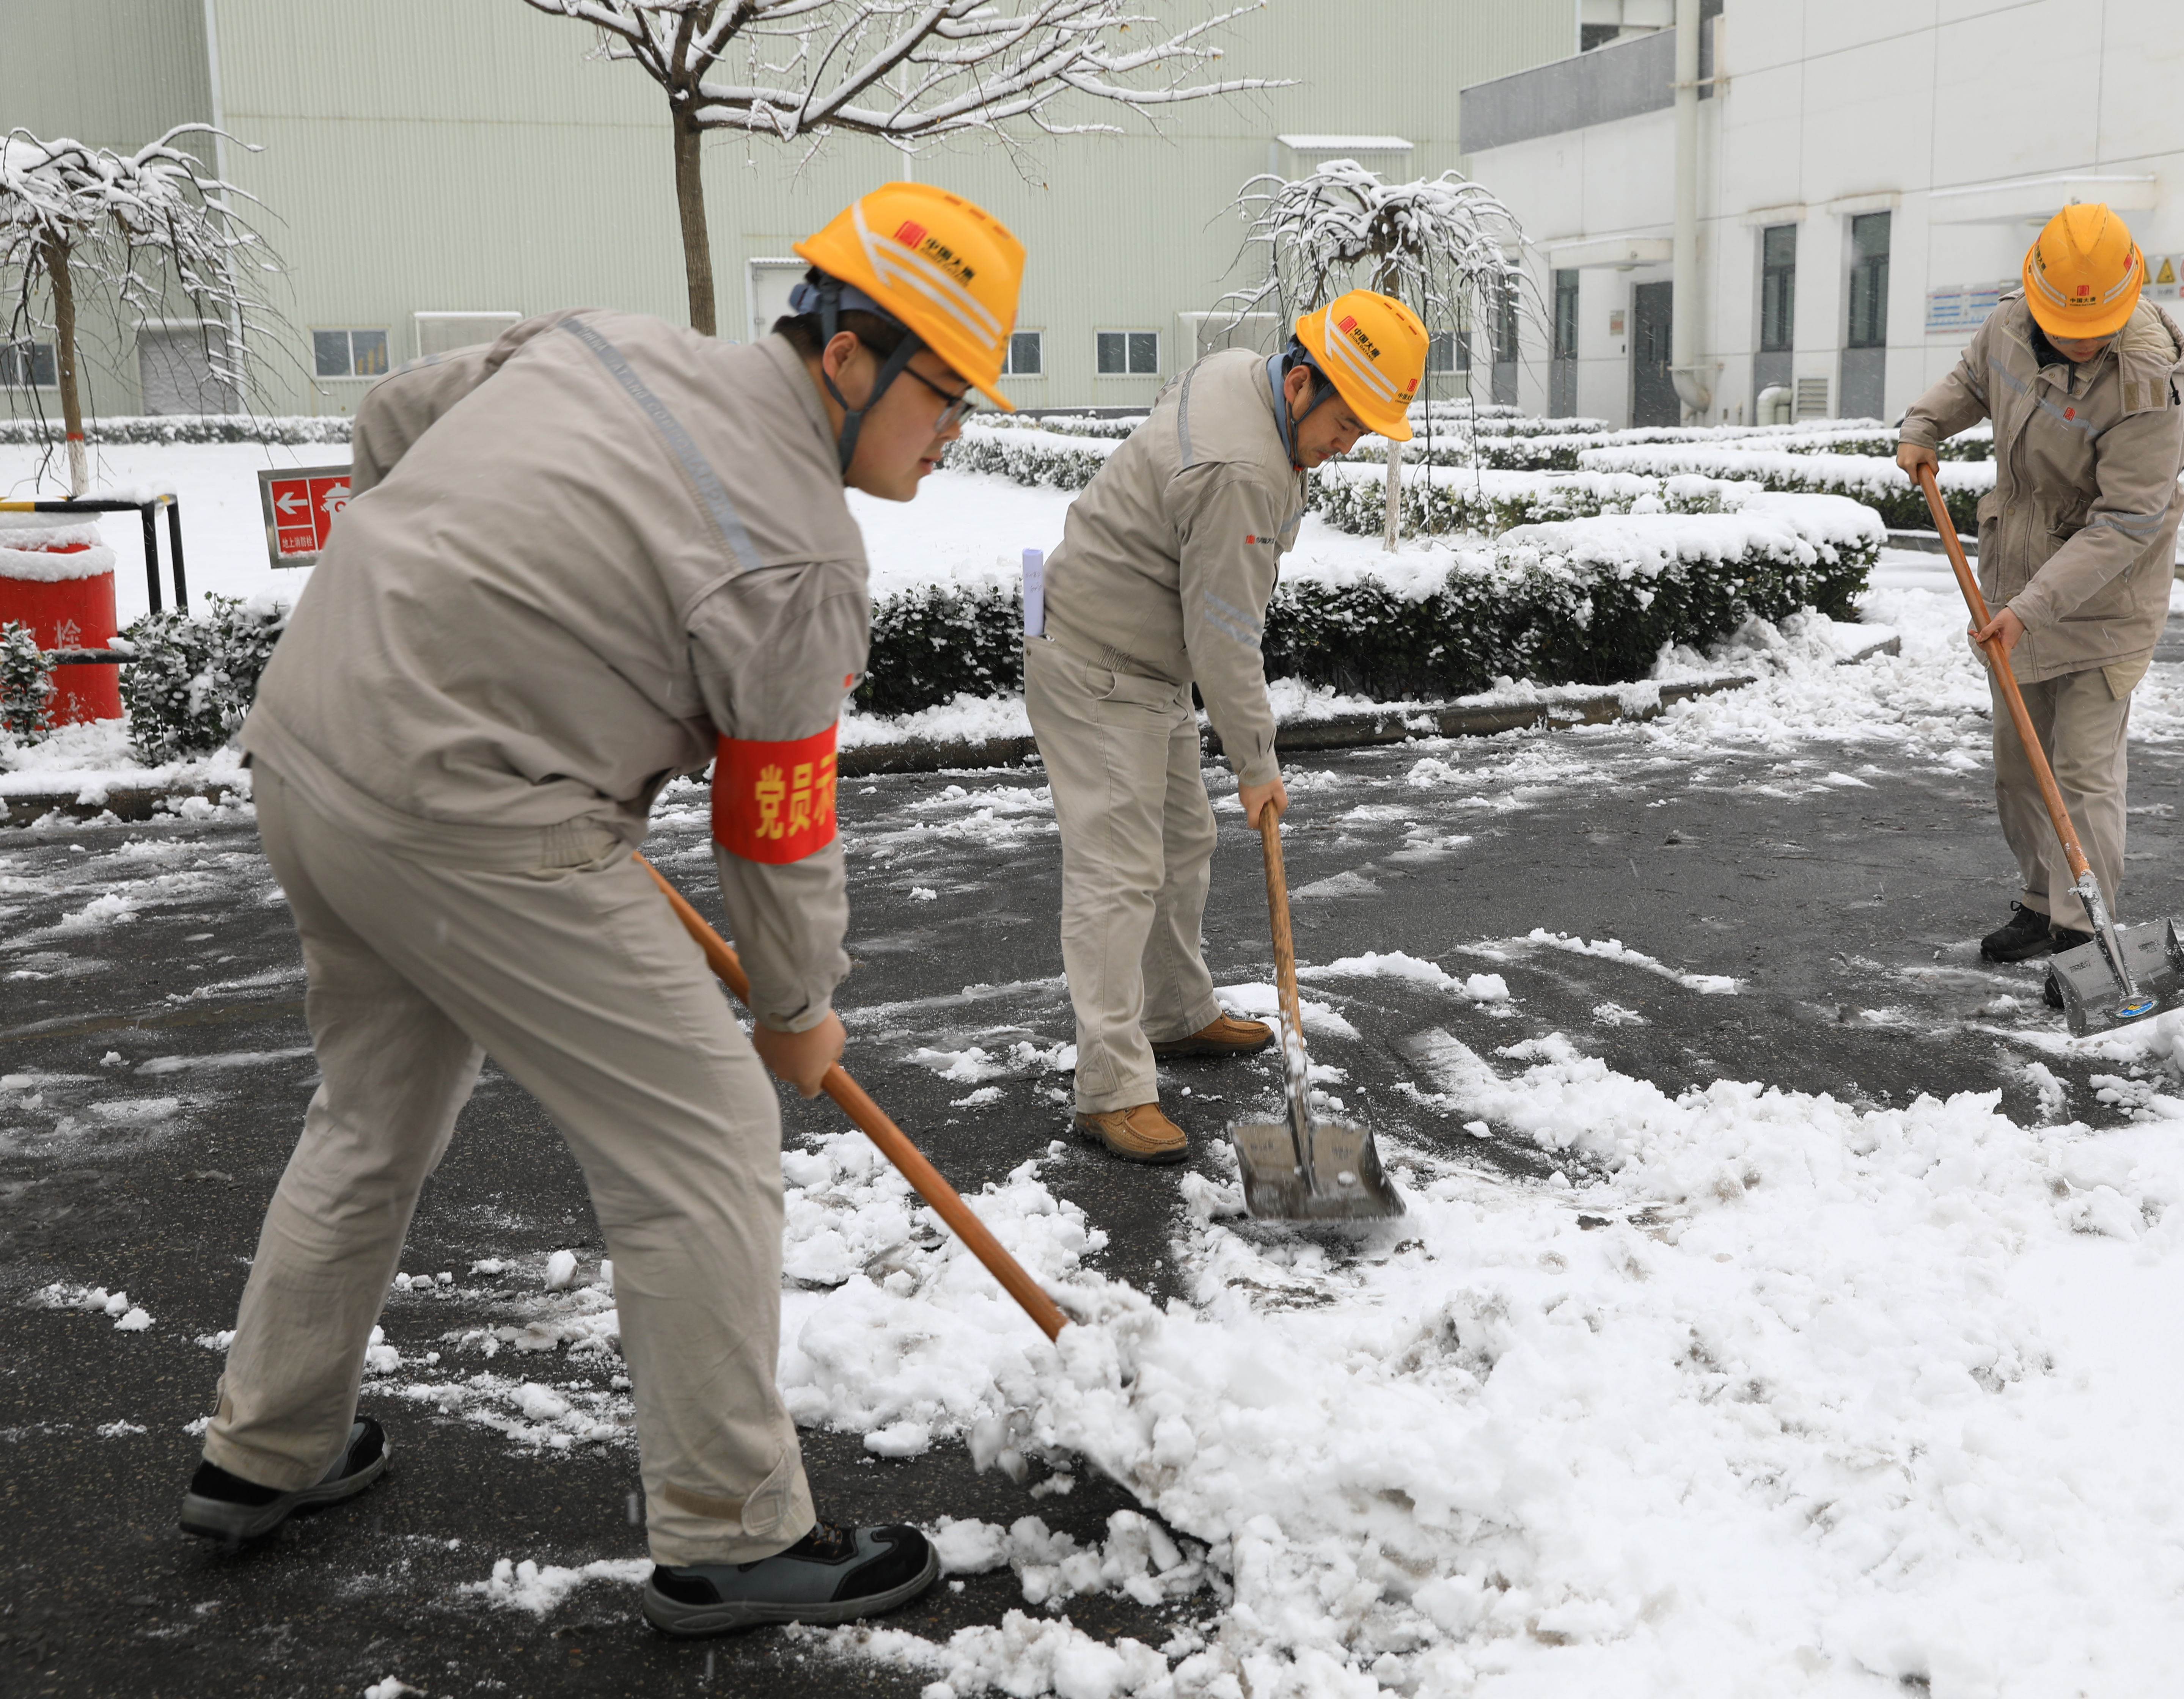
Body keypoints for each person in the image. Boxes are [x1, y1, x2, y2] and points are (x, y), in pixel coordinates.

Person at [179, 183, 1024, 1639]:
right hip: (475, 813)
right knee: (701, 1135)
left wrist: (452, 622)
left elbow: (392, 424)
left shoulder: (604, 342)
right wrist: (795, 1015)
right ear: (847, 359)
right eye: (947, 393)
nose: (958, 432)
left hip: (313, 746)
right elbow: (775, 830)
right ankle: (737, 1538)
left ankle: (265, 1450)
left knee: (371, 1116)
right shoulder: (802, 556)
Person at [1028, 290, 1429, 1163]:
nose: (1346, 446)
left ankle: (1176, 1014)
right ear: (1300, 384)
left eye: (1364, 431)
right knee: (1118, 870)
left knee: (1182, 842)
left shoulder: (1239, 374)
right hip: (1099, 663)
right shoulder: (1243, 470)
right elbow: (1225, 634)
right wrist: (1257, 761)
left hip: (1144, 653)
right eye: (1347, 423)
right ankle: (1111, 1088)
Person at [1896, 203, 2184, 964]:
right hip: (2016, 576)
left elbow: (2126, 521)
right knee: (2019, 761)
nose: (2081, 338)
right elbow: (1973, 379)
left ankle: (2084, 933)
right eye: (2065, 322)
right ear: (2036, 294)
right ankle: (2041, 901)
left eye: (2096, 327)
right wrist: (1926, 425)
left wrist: (2029, 609)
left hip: (2107, 598)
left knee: (2083, 770)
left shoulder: (2146, 382)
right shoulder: (2008, 325)